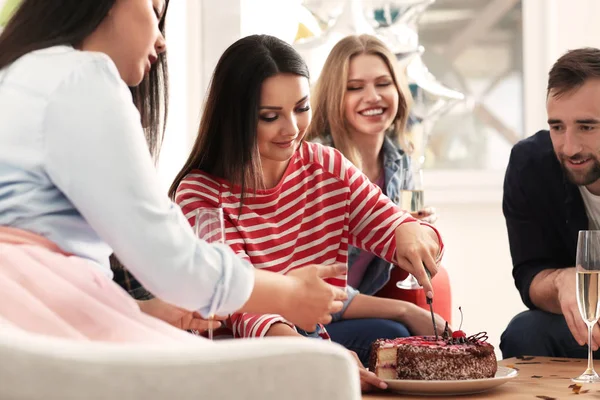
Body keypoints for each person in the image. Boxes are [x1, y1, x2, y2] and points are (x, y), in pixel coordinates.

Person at [0, 0, 347, 343]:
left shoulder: (22, 74)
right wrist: (287, 293)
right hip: (40, 331)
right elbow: (171, 260)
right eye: (155, 11)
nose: (161, 40)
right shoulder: (80, 77)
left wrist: (142, 312)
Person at [170, 34, 444, 389]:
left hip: (309, 341)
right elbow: (239, 305)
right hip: (235, 359)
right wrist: (318, 357)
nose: (293, 128)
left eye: (301, 108)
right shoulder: (202, 193)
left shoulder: (325, 166)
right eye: (270, 116)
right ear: (233, 117)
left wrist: (409, 231)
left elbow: (391, 222)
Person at [308, 34, 450, 339]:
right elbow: (318, 287)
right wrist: (407, 311)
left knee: (426, 334)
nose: (373, 96)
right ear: (335, 97)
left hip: (357, 302)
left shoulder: (401, 159)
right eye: (355, 87)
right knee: (395, 333)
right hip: (310, 316)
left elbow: (419, 254)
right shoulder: (318, 165)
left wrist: (422, 235)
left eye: (383, 84)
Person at [501, 47, 600, 358]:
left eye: (587, 126)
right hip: (591, 328)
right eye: (557, 127)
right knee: (524, 332)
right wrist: (561, 281)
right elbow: (529, 276)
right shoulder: (530, 164)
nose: (569, 147)